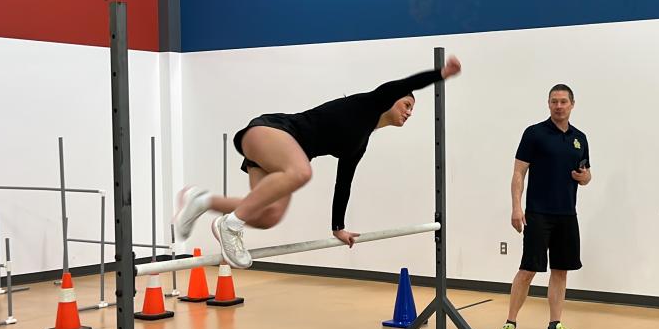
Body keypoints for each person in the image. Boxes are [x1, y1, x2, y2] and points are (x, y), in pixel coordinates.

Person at [172, 56, 463, 268]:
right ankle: (231, 226)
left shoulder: (359, 143)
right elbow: (408, 83)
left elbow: (343, 183)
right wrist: (441, 73)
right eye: (407, 105)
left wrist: (338, 227)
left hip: (277, 154)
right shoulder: (371, 103)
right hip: (272, 131)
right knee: (301, 171)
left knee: (268, 215)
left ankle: (204, 201)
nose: (409, 112)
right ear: (392, 99)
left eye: (412, 110)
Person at [493, 84, 591, 329]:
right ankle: (510, 324)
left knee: (560, 271)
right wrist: (516, 207)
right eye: (554, 101)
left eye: (563, 101)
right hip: (538, 214)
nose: (558, 106)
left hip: (567, 215)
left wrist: (585, 177)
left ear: (572, 104)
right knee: (528, 270)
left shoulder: (580, 138)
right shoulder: (534, 133)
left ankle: (554, 327)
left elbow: (586, 175)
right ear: (548, 104)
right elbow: (518, 173)